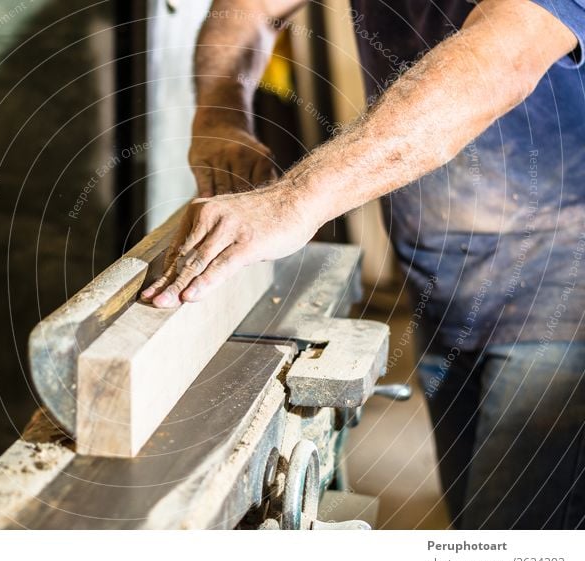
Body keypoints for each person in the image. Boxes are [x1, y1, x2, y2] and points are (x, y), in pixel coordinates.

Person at [141, 0, 585, 529]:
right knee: (471, 522)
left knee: (515, 544)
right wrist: (220, 112)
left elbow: (499, 61)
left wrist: (295, 200)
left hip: (560, 302)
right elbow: (250, 5)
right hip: (443, 291)